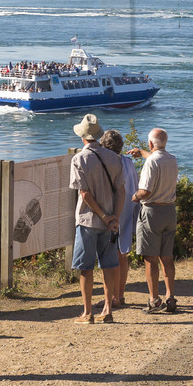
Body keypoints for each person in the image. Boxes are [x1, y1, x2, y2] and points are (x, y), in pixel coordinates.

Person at [69, 113, 127, 324]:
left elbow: (84, 193)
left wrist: (102, 215)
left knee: (86, 267)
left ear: (83, 137)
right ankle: (108, 308)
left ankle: (87, 312)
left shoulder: (79, 159)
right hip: (111, 221)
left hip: (87, 220)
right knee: (109, 265)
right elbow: (121, 190)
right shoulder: (115, 158)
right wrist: (114, 218)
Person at [129, 127, 179, 314]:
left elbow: (145, 192)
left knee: (150, 258)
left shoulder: (151, 163)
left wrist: (132, 197)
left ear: (150, 143)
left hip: (152, 211)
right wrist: (142, 153)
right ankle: (170, 296)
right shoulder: (172, 159)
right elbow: (156, 158)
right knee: (166, 257)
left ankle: (154, 300)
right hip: (169, 210)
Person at [99, 129, 137, 310]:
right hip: (128, 210)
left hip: (112, 211)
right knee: (123, 254)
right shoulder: (128, 163)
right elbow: (135, 187)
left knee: (110, 256)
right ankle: (120, 295)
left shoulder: (107, 163)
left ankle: (112, 296)